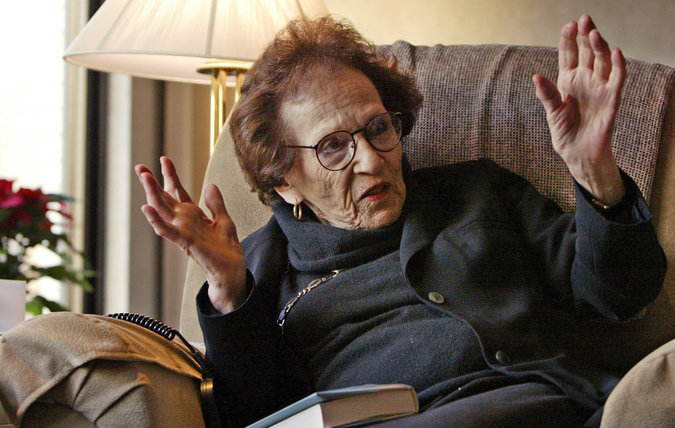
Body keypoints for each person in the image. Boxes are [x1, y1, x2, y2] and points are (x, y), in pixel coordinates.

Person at [136, 15, 666, 428]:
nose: (372, 159)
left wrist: (595, 173)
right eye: (333, 146)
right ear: (283, 180)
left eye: (378, 128)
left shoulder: (476, 192)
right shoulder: (258, 271)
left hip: (531, 407)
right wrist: (227, 288)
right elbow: (247, 412)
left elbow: (618, 293)